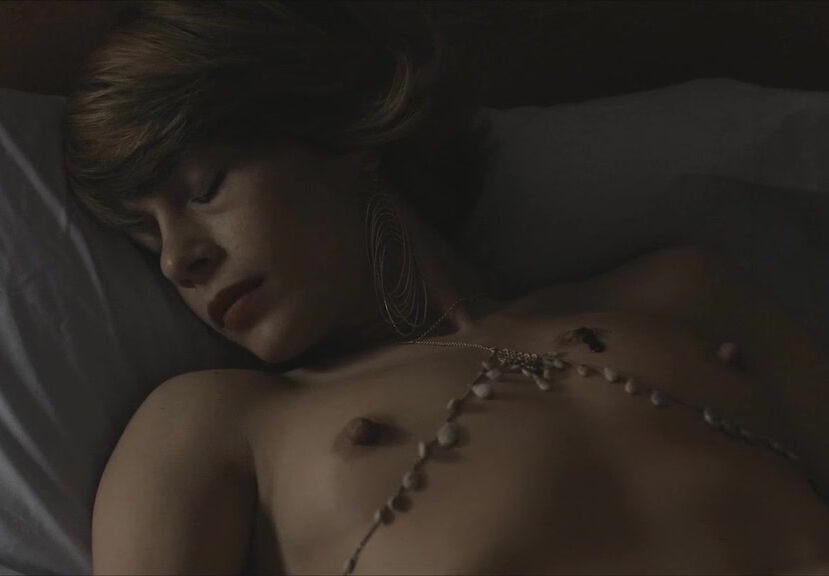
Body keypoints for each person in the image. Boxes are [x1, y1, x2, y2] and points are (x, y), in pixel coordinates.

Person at [61, 2, 829, 574]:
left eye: (203, 189)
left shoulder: (681, 296)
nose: (178, 259)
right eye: (146, 238)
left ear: (339, 136)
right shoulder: (216, 427)